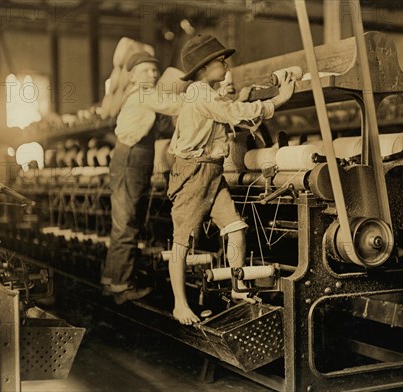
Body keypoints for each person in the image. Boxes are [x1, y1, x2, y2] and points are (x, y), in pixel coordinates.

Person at [167, 34, 295, 325]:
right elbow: (233, 113)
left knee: (236, 227)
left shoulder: (207, 93)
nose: (226, 66)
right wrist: (278, 100)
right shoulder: (200, 93)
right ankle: (179, 305)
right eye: (220, 61)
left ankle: (238, 289)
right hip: (193, 172)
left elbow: (229, 111)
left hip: (211, 171)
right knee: (182, 241)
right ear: (202, 69)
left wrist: (243, 97)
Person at [101, 52, 182, 305]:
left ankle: (112, 279)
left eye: (154, 70)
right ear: (133, 76)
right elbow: (175, 106)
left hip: (134, 159)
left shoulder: (142, 97)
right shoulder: (145, 94)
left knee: (125, 221)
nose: (153, 74)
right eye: (146, 70)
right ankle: (122, 287)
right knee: (127, 223)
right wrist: (206, 96)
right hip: (131, 160)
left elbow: (164, 126)